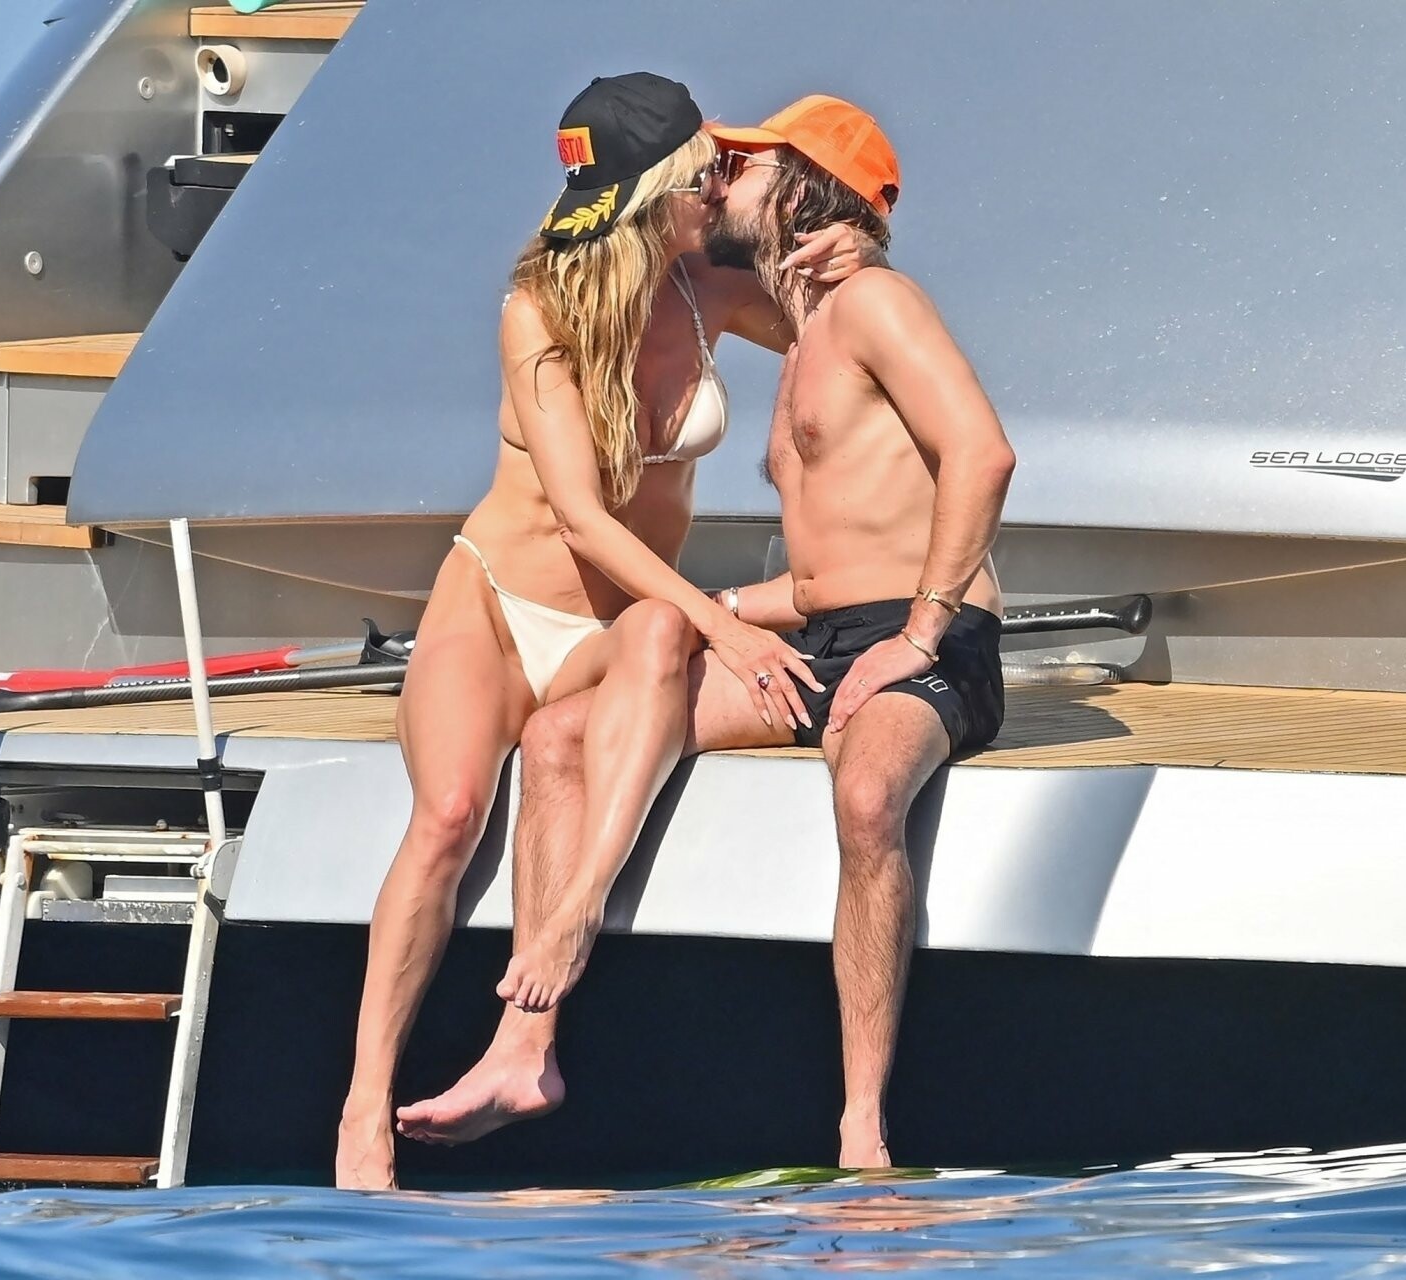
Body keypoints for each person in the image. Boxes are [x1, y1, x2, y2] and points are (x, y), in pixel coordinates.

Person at [400, 96, 1015, 1171]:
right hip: (824, 632)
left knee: (867, 793)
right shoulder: (801, 316)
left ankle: (861, 1128)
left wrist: (920, 636)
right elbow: (824, 564)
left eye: (743, 165)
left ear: (804, 187)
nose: (717, 179)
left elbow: (984, 453)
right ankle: (524, 1048)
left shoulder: (876, 301)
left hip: (927, 639)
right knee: (557, 739)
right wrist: (724, 617)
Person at [336, 73, 879, 1191]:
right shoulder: (536, 308)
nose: (718, 190)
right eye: (701, 177)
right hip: (501, 603)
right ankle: (361, 1111)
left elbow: (858, 342)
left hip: (612, 623)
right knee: (448, 816)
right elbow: (581, 516)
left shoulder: (712, 287)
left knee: (650, 640)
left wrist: (852, 258)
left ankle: (540, 1008)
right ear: (654, 194)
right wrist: (728, 627)